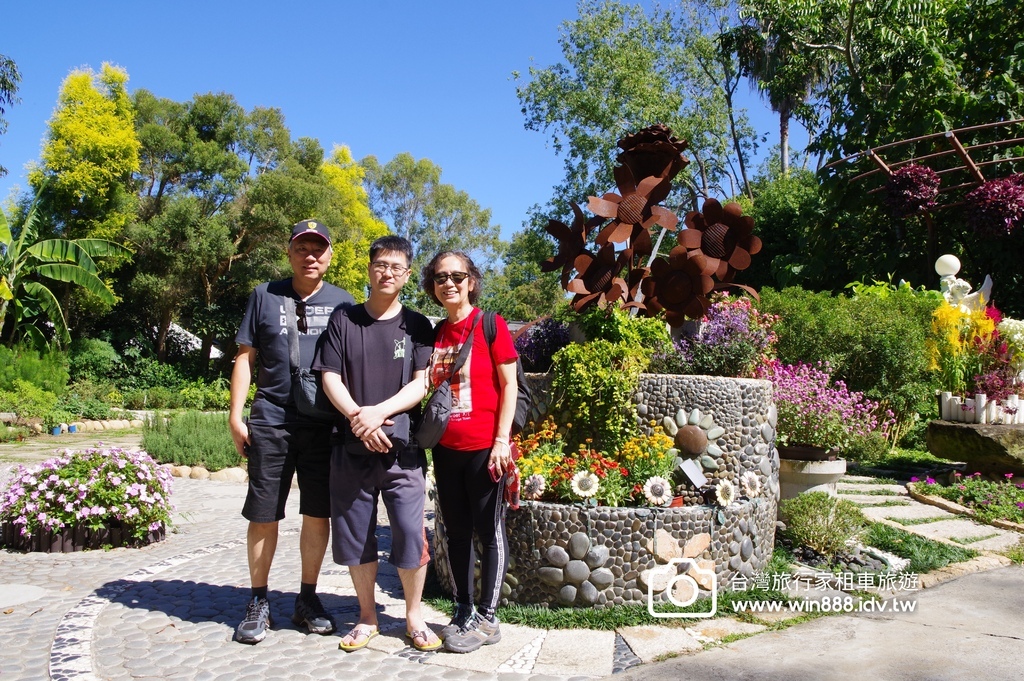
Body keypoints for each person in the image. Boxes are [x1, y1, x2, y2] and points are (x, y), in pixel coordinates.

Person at [228, 219, 354, 644]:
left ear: (330, 256)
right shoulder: (264, 295)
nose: (311, 255)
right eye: (303, 248)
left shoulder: (344, 302)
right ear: (290, 252)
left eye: (319, 248)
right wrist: (235, 414)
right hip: (271, 418)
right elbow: (245, 357)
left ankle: (307, 597)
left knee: (318, 513)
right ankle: (258, 600)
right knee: (264, 512)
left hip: (323, 424)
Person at [313, 235, 440, 652]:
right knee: (355, 536)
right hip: (350, 449)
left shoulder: (418, 325)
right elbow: (329, 375)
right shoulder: (343, 320)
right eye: (380, 265)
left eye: (397, 267)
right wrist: (357, 417)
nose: (387, 273)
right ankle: (367, 616)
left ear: (406, 275)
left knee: (408, 532)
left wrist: (376, 413)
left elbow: (422, 382)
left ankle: (413, 616)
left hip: (401, 452)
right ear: (369, 269)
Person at [420, 250, 518, 654]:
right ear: (433, 286)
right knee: (456, 532)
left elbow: (509, 386)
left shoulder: (490, 325)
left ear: (471, 281)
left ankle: (489, 617)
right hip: (446, 450)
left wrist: (501, 440)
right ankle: (463, 609)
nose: (450, 283)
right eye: (441, 278)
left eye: (457, 276)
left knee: (489, 531)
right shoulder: (435, 333)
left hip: (484, 449)